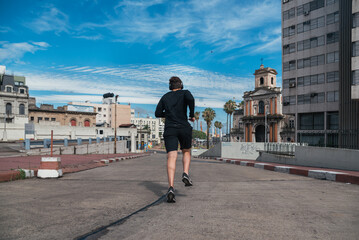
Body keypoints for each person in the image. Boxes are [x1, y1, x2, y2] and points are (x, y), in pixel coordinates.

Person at [155, 76, 195, 203]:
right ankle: (185, 173)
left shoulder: (165, 97)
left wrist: (168, 113)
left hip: (170, 129)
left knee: (171, 157)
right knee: (186, 151)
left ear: (170, 86)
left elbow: (157, 113)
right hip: (183, 127)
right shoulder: (185, 93)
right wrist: (191, 115)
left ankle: (171, 187)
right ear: (181, 85)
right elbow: (191, 99)